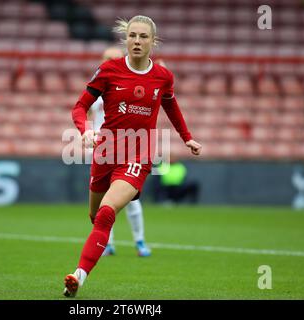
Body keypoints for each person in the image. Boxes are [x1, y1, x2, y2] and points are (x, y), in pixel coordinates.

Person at [64, 15, 202, 298]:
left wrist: (186, 137)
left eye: (143, 37)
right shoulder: (108, 70)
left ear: (153, 41)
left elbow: (172, 108)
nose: (137, 41)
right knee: (95, 215)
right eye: (132, 36)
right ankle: (112, 233)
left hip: (138, 153)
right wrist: (84, 130)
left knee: (105, 213)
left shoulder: (163, 77)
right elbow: (80, 106)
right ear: (125, 39)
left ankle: (78, 276)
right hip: (105, 152)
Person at [88, 46, 151, 258]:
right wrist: (87, 134)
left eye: (113, 58)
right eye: (106, 57)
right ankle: (107, 243)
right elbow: (87, 114)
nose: (109, 61)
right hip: (102, 148)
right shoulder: (97, 88)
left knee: (131, 197)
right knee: (105, 199)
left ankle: (139, 241)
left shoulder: (127, 87)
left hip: (128, 147)